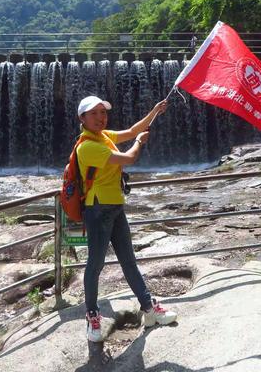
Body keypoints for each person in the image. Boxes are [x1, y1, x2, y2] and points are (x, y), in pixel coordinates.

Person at [76, 95, 177, 342]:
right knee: (95, 265)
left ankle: (149, 309)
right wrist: (140, 143)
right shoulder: (87, 146)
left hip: (115, 207)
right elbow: (129, 158)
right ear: (82, 119)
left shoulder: (105, 136)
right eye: (95, 114)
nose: (101, 117)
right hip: (98, 209)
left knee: (129, 260)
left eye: (103, 112)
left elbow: (133, 130)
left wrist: (154, 110)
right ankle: (92, 316)